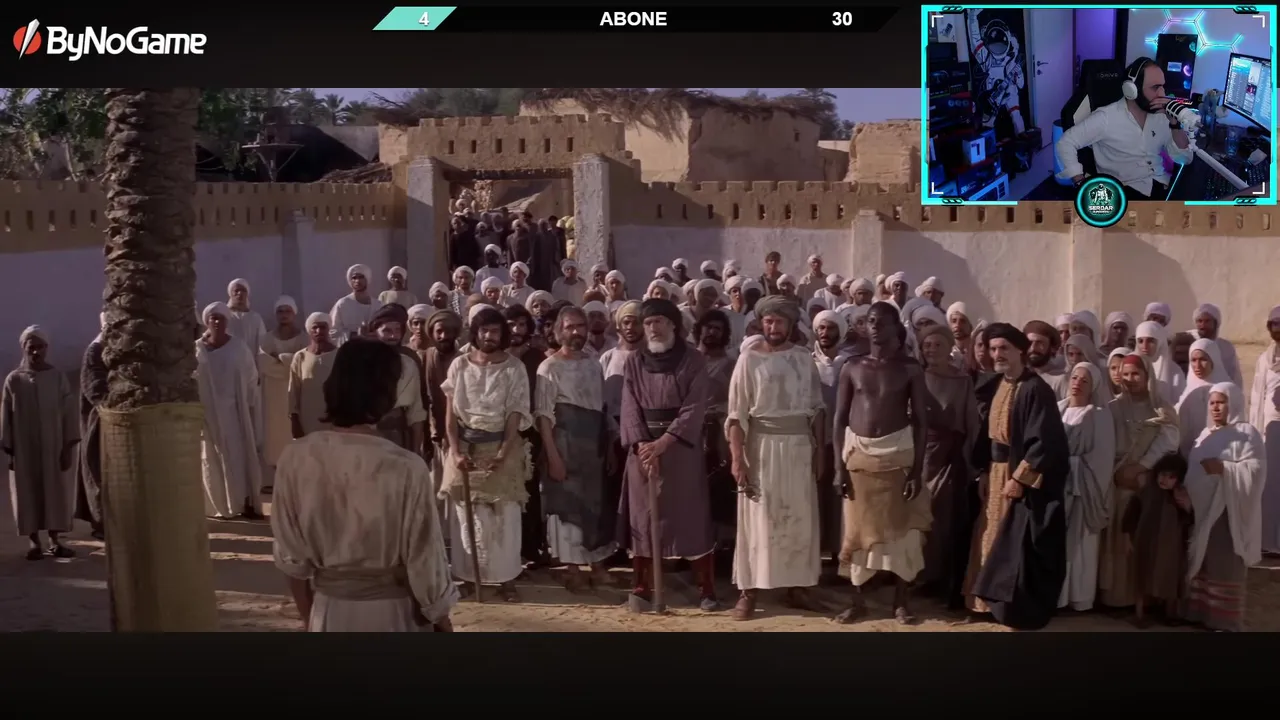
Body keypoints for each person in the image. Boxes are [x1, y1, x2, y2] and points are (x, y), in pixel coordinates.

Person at [271, 338, 457, 632]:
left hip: (328, 610)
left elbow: (291, 557)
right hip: (392, 614)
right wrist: (442, 618)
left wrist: (310, 619)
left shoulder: (295, 458)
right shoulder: (406, 466)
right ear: (387, 393)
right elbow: (425, 559)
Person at [728, 295, 827, 620]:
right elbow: (736, 414)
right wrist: (737, 458)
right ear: (761, 323)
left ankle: (798, 588)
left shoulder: (803, 359)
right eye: (768, 321)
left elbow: (818, 408)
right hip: (761, 449)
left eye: (779, 321)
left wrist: (820, 452)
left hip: (799, 448)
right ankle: (749, 591)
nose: (773, 327)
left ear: (790, 324)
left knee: (798, 518)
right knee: (759, 520)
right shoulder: (749, 359)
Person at [831, 302, 931, 623]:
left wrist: (917, 470)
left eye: (882, 322)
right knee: (856, 532)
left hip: (898, 454)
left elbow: (921, 421)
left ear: (895, 327)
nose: (875, 327)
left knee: (904, 534)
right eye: (871, 321)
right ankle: (857, 602)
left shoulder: (910, 368)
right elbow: (839, 419)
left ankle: (901, 602)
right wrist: (838, 468)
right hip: (859, 456)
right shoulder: (852, 366)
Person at [966, 322, 1070, 630]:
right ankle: (985, 602)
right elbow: (987, 437)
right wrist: (984, 470)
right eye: (993, 348)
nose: (997, 354)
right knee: (988, 534)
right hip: (995, 472)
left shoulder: (1035, 389)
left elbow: (1045, 441)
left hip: (1017, 477)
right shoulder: (997, 383)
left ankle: (1010, 608)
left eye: (1004, 348)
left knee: (1014, 542)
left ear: (1021, 351)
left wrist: (1019, 478)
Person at [618, 298, 718, 612]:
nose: (653, 328)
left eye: (659, 322)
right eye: (648, 323)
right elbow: (629, 407)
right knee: (643, 517)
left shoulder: (694, 359)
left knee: (691, 517)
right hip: (643, 451)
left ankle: (706, 588)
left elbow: (694, 407)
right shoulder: (633, 361)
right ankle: (642, 586)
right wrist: (642, 445)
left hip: (680, 450)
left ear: (673, 324)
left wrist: (664, 443)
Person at [440, 307, 532, 602]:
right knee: (467, 517)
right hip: (465, 448)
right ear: (475, 333)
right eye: (484, 331)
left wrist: (503, 453)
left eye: (494, 331)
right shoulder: (459, 365)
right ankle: (469, 576)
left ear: (502, 334)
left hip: (501, 447)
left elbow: (515, 412)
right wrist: (455, 452)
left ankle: (506, 578)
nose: (489, 336)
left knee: (505, 516)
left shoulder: (514, 367)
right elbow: (450, 415)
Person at [535, 306, 618, 591]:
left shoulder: (594, 364)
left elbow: (602, 408)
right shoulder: (549, 368)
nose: (576, 332)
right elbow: (543, 416)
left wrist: (608, 446)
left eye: (580, 326)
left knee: (596, 505)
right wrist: (553, 456)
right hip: (564, 444)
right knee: (567, 507)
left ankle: (597, 565)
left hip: (593, 445)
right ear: (559, 331)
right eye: (570, 327)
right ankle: (572, 569)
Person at [1099, 353, 1179, 610]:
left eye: (1136, 374)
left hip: (1145, 484)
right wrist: (1116, 472)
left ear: (1147, 376)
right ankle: (1114, 599)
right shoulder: (1113, 407)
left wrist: (1142, 468)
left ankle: (1140, 602)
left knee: (1140, 540)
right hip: (1115, 480)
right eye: (1125, 374)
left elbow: (1169, 443)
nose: (1130, 379)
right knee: (1115, 540)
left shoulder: (1162, 409)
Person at [1184, 382, 1266, 632]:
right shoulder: (1205, 435)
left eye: (1221, 402)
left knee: (1224, 563)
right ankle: (1199, 613)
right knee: (1204, 563)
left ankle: (1224, 620)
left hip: (1228, 512)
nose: (1216, 408)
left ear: (1234, 403)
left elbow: (1256, 470)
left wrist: (1224, 469)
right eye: (1212, 403)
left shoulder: (1247, 433)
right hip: (1202, 511)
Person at [1055, 56, 1194, 200]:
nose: (1162, 94)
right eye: (1155, 88)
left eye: (1162, 86)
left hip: (1162, 185)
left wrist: (1175, 125)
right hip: (1125, 192)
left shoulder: (1161, 117)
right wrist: (1080, 183)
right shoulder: (1106, 117)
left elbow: (1185, 159)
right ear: (1131, 90)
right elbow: (1065, 143)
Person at [915, 323, 980, 609]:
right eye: (927, 345)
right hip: (922, 455)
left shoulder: (962, 381)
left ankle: (944, 579)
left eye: (937, 345)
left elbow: (971, 421)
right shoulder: (917, 376)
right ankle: (922, 576)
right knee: (922, 516)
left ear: (949, 347)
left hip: (951, 457)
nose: (931, 350)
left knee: (946, 517)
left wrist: (971, 459)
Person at [2, 326, 80, 559]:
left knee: (55, 492)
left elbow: (68, 414)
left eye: (41, 347)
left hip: (53, 448)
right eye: (31, 347)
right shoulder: (14, 380)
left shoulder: (57, 378)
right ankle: (34, 542)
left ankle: (55, 541)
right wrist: (10, 450)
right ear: (24, 348)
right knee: (28, 493)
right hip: (24, 450)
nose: (36, 352)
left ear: (47, 348)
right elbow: (6, 416)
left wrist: (67, 448)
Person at [1057, 362, 1116, 612]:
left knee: (1081, 547)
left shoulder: (1099, 416)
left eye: (1085, 380)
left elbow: (1102, 458)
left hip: (1084, 492)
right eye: (1074, 378)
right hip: (1057, 488)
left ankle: (1079, 599)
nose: (1077, 384)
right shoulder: (1057, 410)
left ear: (1093, 387)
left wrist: (1070, 464)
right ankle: (1057, 597)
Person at [197, 303, 264, 520]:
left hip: (233, 413)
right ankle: (215, 506)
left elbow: (251, 378)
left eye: (221, 318)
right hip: (205, 415)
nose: (217, 322)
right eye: (213, 317)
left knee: (235, 457)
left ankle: (239, 502)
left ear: (227, 321)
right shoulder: (197, 349)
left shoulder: (238, 348)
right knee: (209, 459)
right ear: (207, 320)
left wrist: (248, 405)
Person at [1123, 452, 1192, 626]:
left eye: (1171, 477)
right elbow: (1131, 515)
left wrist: (1186, 507)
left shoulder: (1180, 496)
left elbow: (1189, 521)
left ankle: (1170, 614)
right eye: (1162, 474)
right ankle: (1139, 614)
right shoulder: (1146, 492)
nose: (1164, 480)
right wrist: (1127, 539)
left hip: (1171, 547)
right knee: (1142, 577)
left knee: (1170, 578)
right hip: (1144, 543)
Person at [504, 304, 549, 565]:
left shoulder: (537, 358)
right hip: (502, 431)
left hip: (531, 431)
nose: (516, 330)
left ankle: (531, 548)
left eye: (521, 325)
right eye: (511, 324)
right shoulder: (497, 358)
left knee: (530, 489)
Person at [811, 309, 853, 576]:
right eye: (822, 328)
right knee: (814, 499)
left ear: (840, 331)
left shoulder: (849, 363)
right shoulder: (806, 362)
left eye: (831, 328)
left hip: (843, 441)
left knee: (840, 500)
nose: (826, 333)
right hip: (813, 442)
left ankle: (841, 557)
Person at [694, 309, 738, 550]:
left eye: (717, 329)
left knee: (721, 485)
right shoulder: (688, 361)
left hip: (721, 432)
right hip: (691, 431)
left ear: (724, 334)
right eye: (708, 327)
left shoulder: (732, 365)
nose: (711, 332)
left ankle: (723, 545)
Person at [259, 296, 309, 492]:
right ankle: (275, 480)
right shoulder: (266, 339)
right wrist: (288, 362)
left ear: (294, 314)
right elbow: (264, 364)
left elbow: (303, 364)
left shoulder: (304, 338)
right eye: (280, 311)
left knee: (293, 434)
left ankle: (295, 481)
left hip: (296, 391)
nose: (284, 315)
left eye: (287, 311)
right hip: (272, 394)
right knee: (274, 435)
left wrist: (280, 358)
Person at [369, 304, 428, 455]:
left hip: (399, 437)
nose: (393, 336)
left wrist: (416, 451)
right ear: (375, 332)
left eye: (397, 331)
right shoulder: (362, 363)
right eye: (387, 331)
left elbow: (416, 411)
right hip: (368, 437)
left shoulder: (408, 363)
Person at [1251, 305, 1280, 556]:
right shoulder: (1264, 359)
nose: (1277, 329)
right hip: (1270, 429)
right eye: (1274, 324)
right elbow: (1257, 397)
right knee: (1270, 484)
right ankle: (1268, 542)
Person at [76, 314, 108, 540]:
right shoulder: (95, 351)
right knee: (97, 474)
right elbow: (94, 388)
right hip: (97, 424)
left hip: (114, 423)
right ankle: (101, 523)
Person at [1175, 338, 1231, 456]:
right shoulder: (1188, 391)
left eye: (1203, 359)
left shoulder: (1228, 390)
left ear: (1213, 360)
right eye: (1193, 360)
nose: (1198, 365)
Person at [289, 313, 337, 438]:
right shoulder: (300, 357)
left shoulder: (340, 355)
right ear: (309, 331)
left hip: (335, 420)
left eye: (323, 327)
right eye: (315, 327)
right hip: (308, 420)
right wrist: (294, 421)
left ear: (329, 329)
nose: (319, 331)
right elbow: (293, 391)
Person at [1190, 303, 1243, 386]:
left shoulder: (1226, 347)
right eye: (1199, 321)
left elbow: (1234, 376)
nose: (1203, 325)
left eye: (1207, 321)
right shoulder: (1190, 344)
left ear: (1216, 323)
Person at [330, 264, 383, 346]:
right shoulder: (343, 304)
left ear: (367, 279)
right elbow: (333, 332)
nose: (357, 281)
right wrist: (355, 335)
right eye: (354, 278)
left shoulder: (378, 305)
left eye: (361, 277)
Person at [1135, 320, 1185, 406]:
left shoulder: (1174, 371)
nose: (1144, 346)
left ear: (1160, 342)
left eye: (1150, 341)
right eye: (1140, 341)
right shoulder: (1131, 367)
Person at [1023, 320, 1068, 400]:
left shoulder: (1060, 379)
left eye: (1039, 343)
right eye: (1029, 343)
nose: (1033, 348)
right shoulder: (1018, 376)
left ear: (1052, 347)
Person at [225, 278, 267, 355]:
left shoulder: (255, 318)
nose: (240, 293)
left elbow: (262, 344)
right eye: (236, 290)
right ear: (230, 293)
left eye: (243, 291)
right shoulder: (223, 316)